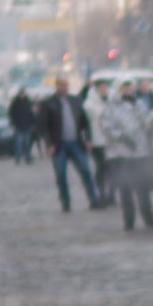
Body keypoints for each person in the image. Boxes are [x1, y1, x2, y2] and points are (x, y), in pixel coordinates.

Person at [102, 79, 153, 230]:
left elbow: (147, 120)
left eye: (130, 88)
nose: (128, 90)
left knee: (142, 186)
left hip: (140, 152)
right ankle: (129, 221)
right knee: (125, 188)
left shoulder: (139, 104)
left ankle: (149, 218)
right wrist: (122, 137)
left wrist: (152, 126)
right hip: (121, 153)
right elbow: (107, 126)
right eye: (125, 88)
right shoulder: (111, 106)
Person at [38, 76, 101, 211]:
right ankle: (65, 203)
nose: (64, 88)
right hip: (58, 145)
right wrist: (49, 144)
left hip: (76, 143)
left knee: (86, 171)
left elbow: (84, 123)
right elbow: (43, 126)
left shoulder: (75, 101)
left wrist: (87, 139)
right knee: (61, 175)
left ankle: (94, 199)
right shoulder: (48, 103)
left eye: (66, 85)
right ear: (56, 86)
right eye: (61, 85)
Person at [82, 78, 113, 206]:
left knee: (111, 169)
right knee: (101, 168)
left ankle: (111, 195)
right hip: (97, 140)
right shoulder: (89, 105)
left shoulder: (110, 101)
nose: (104, 90)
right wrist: (87, 140)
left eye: (106, 87)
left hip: (111, 141)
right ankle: (101, 194)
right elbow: (85, 124)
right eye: (102, 88)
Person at [8, 87, 37, 165]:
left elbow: (32, 114)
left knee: (27, 143)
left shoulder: (28, 102)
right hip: (18, 126)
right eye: (21, 93)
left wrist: (32, 123)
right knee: (18, 144)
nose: (22, 95)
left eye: (23, 93)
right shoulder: (15, 102)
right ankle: (17, 159)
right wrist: (13, 124)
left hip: (27, 125)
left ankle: (28, 158)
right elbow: (11, 114)